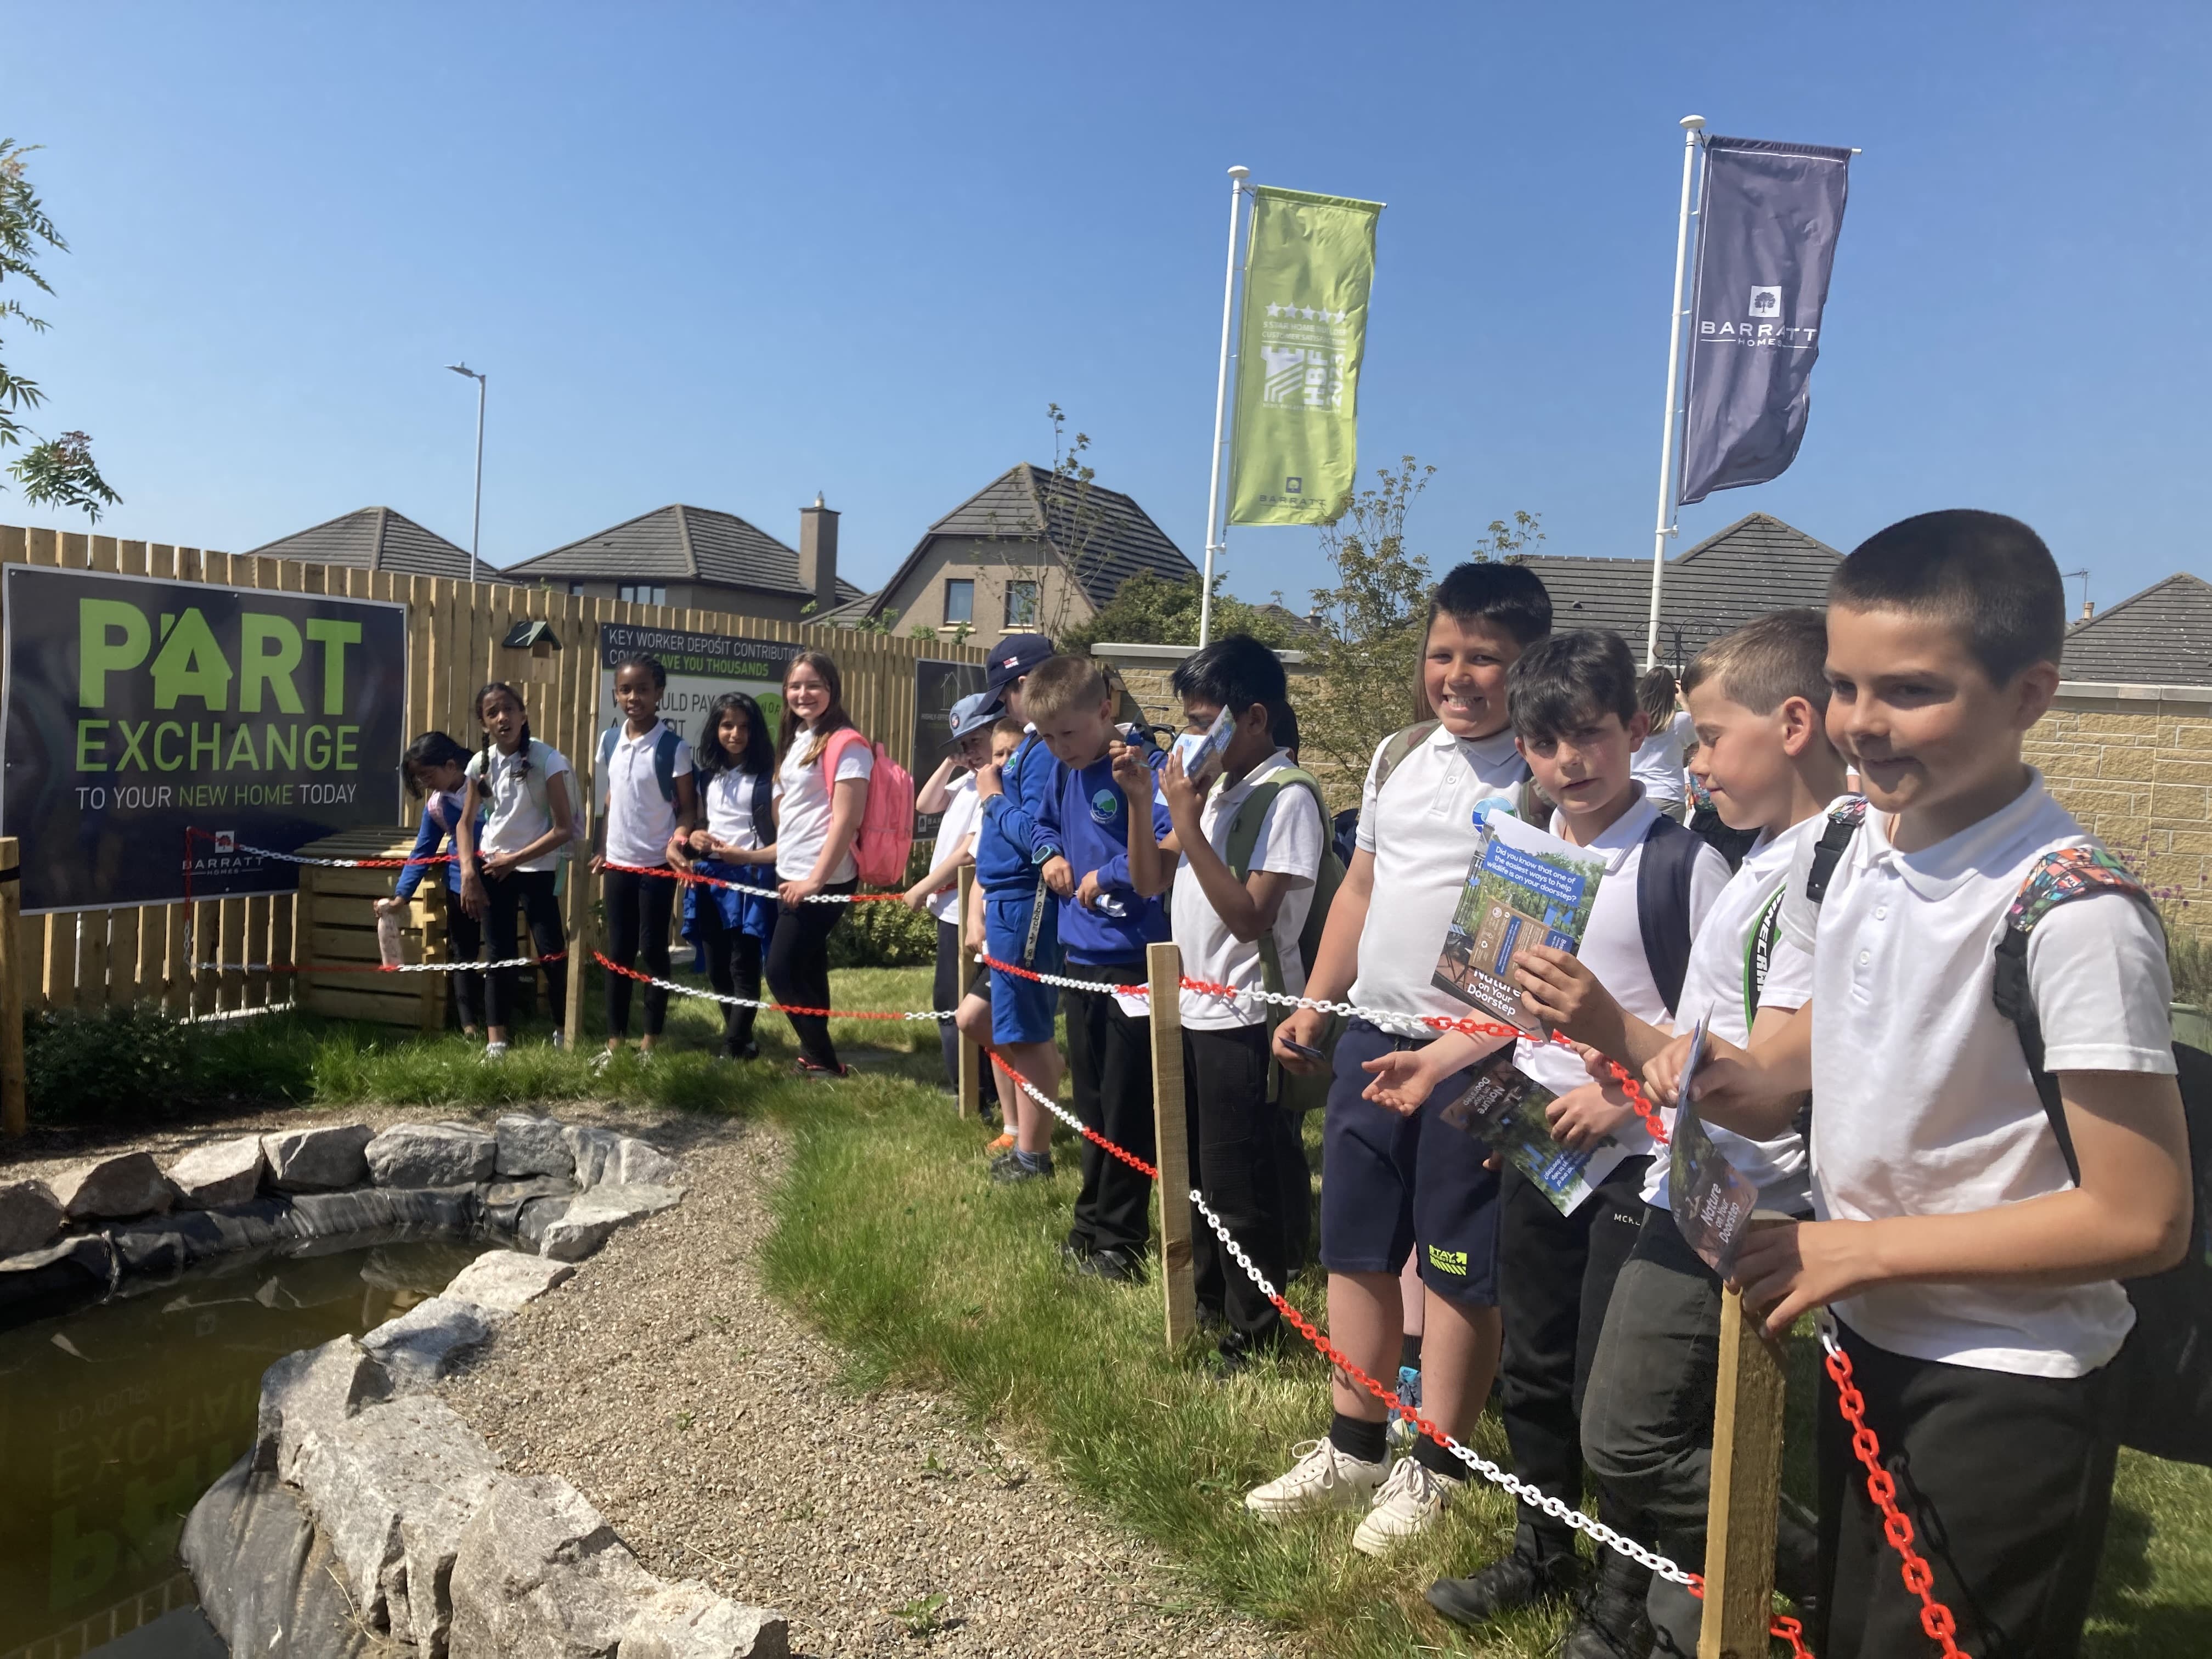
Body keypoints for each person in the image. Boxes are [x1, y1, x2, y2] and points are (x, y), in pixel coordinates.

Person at [1644, 511, 2192, 1659]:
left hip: (2004, 1383)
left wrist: (1861, 1248)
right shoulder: (1852, 844)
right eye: (1845, 686)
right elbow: (1790, 1074)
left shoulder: (2074, 911)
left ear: (2030, 692)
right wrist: (1656, 1056)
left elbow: (2143, 1217)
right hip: (1867, 1340)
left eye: (1911, 691)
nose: (1861, 725)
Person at [1369, 629, 1728, 1651]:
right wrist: (1438, 1061)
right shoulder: (1526, 855)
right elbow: (1500, 1000)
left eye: (1590, 734)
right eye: (1545, 740)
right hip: (1533, 1145)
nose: (1569, 760)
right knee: (1533, 1365)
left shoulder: (1681, 863)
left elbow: (1720, 1027)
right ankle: (1541, 1547)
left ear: (1634, 728)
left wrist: (1623, 1101)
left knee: (1612, 1392)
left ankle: (1618, 1597)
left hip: (1636, 1165)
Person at [1248, 561, 1552, 1556]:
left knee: (1461, 1265)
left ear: (1527, 666)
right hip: (1372, 1038)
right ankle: (1354, 1441)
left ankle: (1436, 1463)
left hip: (1475, 1057)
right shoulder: (1399, 751)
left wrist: (1462, 1050)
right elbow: (1358, 889)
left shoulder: (1541, 774)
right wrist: (1317, 1001)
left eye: (1485, 659)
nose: (1457, 675)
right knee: (1357, 1245)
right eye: (1443, 652)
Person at [1565, 611, 1843, 1651]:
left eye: (1707, 734)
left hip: (1745, 1199)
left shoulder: (1826, 871)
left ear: (1793, 723)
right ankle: (1704, 1614)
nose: (1691, 758)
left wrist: (1613, 1026)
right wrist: (1638, 1055)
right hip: (1696, 1179)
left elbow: (1771, 1086)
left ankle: (1821, 1567)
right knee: (1676, 1429)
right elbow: (1709, 1042)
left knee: (1629, 1438)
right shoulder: (1772, 852)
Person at [1150, 634, 1325, 1368]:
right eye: (1186, 722)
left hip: (1245, 1014)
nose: (1192, 739)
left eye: (1202, 722)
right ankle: (1218, 1298)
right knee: (1196, 1171)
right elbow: (1149, 878)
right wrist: (1148, 804)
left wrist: (1186, 822)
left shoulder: (1287, 796)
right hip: (1193, 1006)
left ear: (1252, 718)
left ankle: (1257, 1331)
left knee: (1236, 1180)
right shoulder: (1220, 788)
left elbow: (1251, 917)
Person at [1028, 653, 1176, 1280]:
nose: (1060, 748)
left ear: (1105, 711)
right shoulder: (1063, 773)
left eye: (1070, 733)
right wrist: (1048, 857)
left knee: (1127, 1108)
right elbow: (1041, 827)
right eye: (1049, 738)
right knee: (1091, 1103)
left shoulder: (1141, 768)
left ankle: (1122, 1240)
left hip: (1133, 961)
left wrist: (1105, 874)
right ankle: (1089, 1224)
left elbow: (1168, 848)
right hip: (1079, 956)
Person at [958, 633, 1065, 1182]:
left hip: (1028, 900)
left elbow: (1038, 833)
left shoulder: (1044, 751)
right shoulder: (1030, 745)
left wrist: (992, 796)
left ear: (1024, 683)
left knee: (1028, 1033)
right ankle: (1029, 1132)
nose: (1005, 706)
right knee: (988, 1021)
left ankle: (1034, 1154)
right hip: (1006, 902)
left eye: (1006, 695)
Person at [454, 683, 577, 1059]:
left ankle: (564, 1033)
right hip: (493, 867)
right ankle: (497, 1041)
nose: (502, 718)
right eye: (492, 712)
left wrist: (516, 858)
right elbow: (465, 823)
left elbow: (564, 828)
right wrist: (469, 871)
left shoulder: (548, 760)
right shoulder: (480, 764)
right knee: (498, 954)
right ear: (483, 722)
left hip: (537, 867)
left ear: (523, 714)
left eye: (508, 709)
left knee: (551, 951)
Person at [768, 650, 871, 1080]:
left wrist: (815, 879)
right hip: (791, 870)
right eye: (795, 686)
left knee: (780, 970)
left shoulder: (847, 744)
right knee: (807, 967)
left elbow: (847, 820)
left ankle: (825, 1058)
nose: (803, 694)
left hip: (823, 877)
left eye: (814, 685)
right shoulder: (798, 739)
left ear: (832, 689)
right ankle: (816, 1058)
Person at [591, 654, 698, 1065]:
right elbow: (611, 797)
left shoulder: (674, 748)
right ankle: (615, 1043)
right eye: (625, 689)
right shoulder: (609, 741)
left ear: (659, 693)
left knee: (653, 950)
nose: (634, 697)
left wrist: (680, 838)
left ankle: (650, 1043)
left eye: (643, 689)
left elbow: (687, 808)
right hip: (617, 863)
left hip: (655, 864)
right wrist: (603, 846)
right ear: (616, 693)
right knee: (618, 951)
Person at [905, 690, 999, 1092]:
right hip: (949, 908)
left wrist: (920, 888)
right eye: (964, 745)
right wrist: (950, 761)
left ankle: (972, 1089)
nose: (970, 751)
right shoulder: (968, 780)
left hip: (967, 909)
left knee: (957, 1002)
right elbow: (926, 804)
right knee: (949, 998)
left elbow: (968, 854)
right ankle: (967, 1084)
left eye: (976, 741)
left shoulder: (992, 786)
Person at [682, 691, 780, 1062]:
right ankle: (745, 1039)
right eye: (727, 725)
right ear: (715, 729)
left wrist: (743, 856)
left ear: (756, 731)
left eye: (744, 726)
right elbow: (699, 826)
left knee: (743, 966)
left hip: (748, 880)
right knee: (717, 966)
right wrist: (695, 837)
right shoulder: (708, 775)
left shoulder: (768, 779)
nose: (735, 733)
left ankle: (732, 1047)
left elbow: (781, 837)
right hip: (709, 877)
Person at [378, 732, 484, 1039]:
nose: (425, 784)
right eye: (419, 779)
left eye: (428, 775)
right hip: (458, 887)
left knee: (497, 953)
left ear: (451, 765)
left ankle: (497, 1026)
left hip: (495, 882)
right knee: (463, 952)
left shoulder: (487, 789)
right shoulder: (437, 806)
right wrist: (401, 897)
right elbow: (421, 852)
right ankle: (469, 1026)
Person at [962, 715, 1031, 1154]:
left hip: (1023, 931)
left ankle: (1027, 1132)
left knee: (991, 1023)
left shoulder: (1029, 803)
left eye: (1014, 752)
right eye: (999, 753)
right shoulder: (989, 802)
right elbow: (980, 870)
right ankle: (1013, 1124)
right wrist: (974, 919)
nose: (1006, 761)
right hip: (994, 933)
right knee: (984, 1022)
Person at [1632, 666, 1694, 823]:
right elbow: (1700, 730)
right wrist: (1685, 702)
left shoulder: (1631, 722)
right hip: (1669, 795)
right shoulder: (1680, 722)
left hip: (1635, 794)